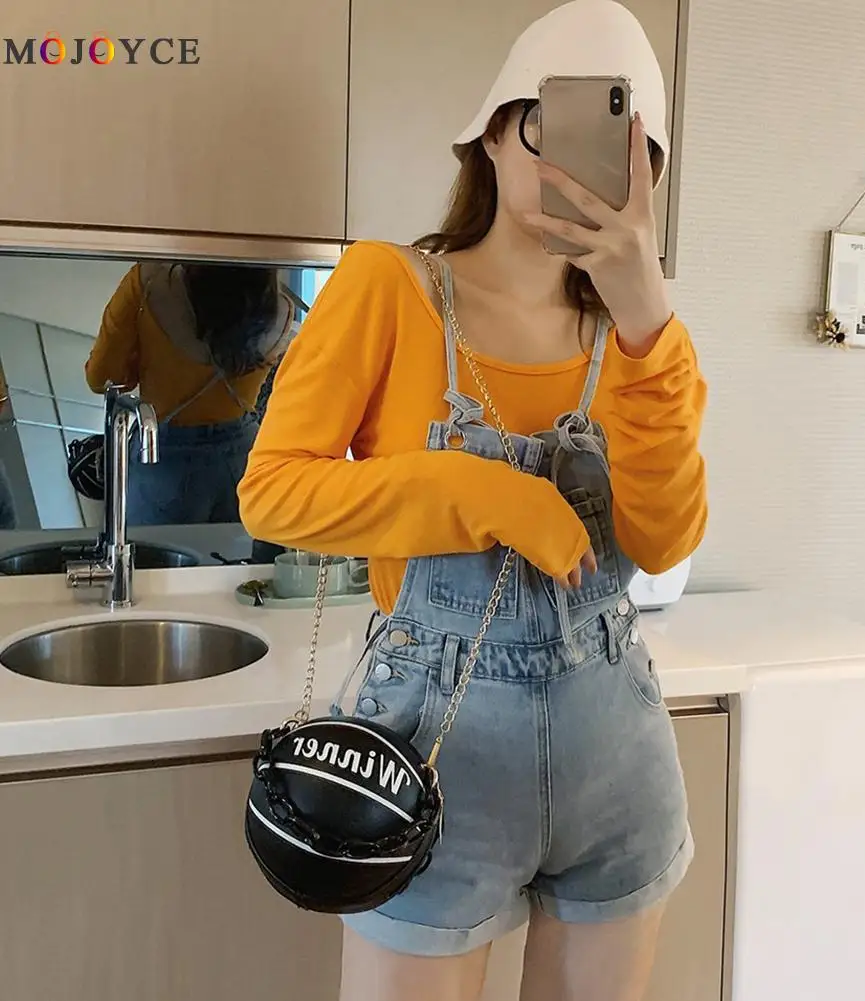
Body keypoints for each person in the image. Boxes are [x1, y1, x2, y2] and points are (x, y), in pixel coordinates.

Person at [238, 2, 708, 998]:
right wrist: (479, 491)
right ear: (491, 133)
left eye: (622, 145)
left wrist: (647, 322)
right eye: (547, 123)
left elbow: (662, 539)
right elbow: (273, 493)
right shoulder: (389, 287)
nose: (573, 165)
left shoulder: (640, 343)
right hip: (426, 747)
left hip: (615, 745)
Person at [85, 261, 295, 525]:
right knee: (239, 553)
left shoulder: (148, 282)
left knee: (153, 554)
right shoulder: (280, 306)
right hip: (246, 461)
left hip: (163, 460)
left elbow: (101, 379)